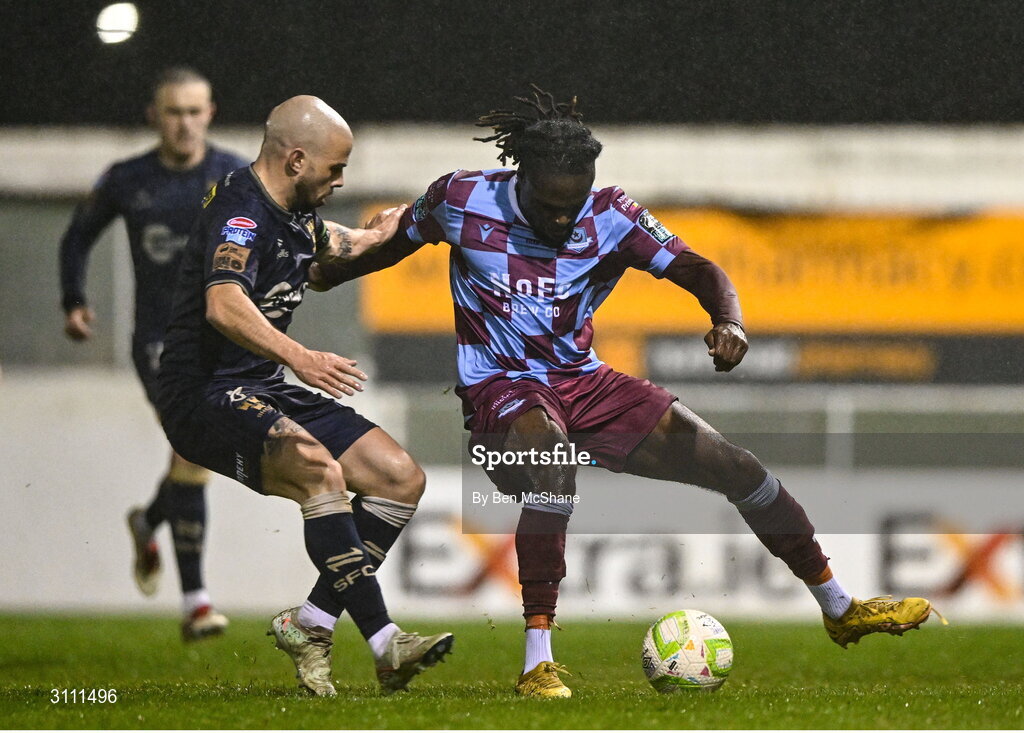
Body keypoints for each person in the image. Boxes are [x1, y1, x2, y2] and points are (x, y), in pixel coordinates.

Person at [319, 86, 939, 698]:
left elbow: (702, 270)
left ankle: (839, 606)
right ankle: (539, 663)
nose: (564, 219)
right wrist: (320, 272)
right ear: (522, 176)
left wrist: (728, 320)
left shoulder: (611, 213)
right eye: (551, 207)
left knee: (737, 466)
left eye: (574, 204)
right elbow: (386, 248)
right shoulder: (460, 198)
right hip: (499, 390)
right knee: (553, 470)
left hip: (586, 383)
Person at [155, 95, 453, 697]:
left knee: (400, 479)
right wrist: (303, 357)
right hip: (202, 396)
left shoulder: (297, 216)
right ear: (295, 160)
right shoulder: (241, 214)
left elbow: (348, 250)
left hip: (259, 385)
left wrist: (424, 219)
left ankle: (311, 622)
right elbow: (223, 302)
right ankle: (384, 643)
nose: (341, 180)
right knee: (319, 470)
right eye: (334, 168)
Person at [59, 67, 246, 641]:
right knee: (193, 452)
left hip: (225, 337)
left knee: (204, 452)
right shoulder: (128, 178)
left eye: (194, 111)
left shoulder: (234, 174)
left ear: (210, 113)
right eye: (173, 112)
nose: (184, 123)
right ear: (154, 116)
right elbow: (77, 236)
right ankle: (196, 604)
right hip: (161, 342)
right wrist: (74, 300)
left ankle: (149, 520)